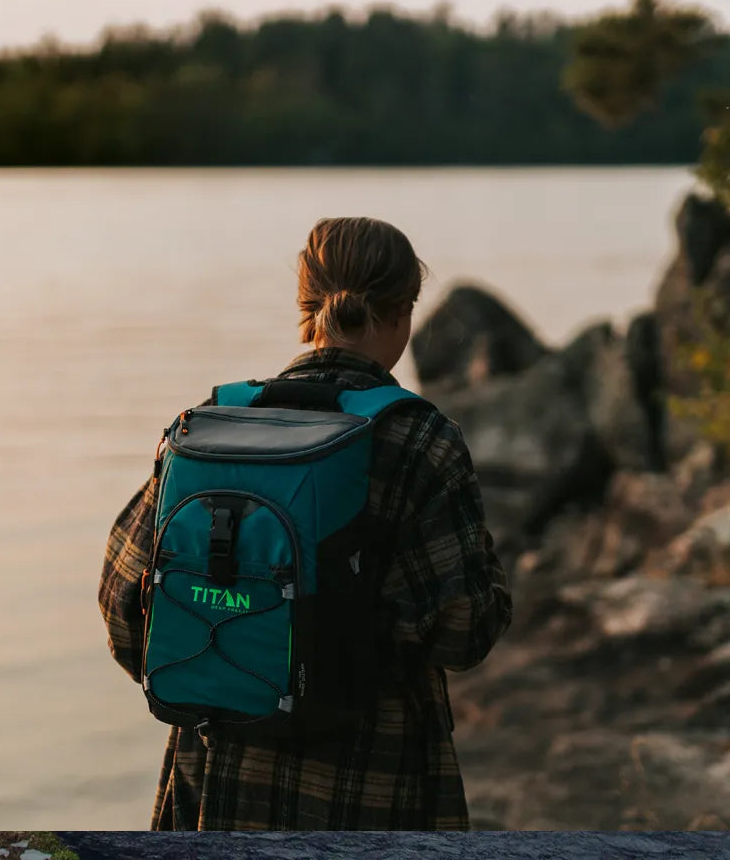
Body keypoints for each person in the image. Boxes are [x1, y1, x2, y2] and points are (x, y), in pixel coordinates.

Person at [97, 216, 513, 831]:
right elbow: (464, 631)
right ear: (402, 314)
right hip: (374, 790)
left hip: (217, 788)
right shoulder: (420, 441)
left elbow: (124, 610)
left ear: (305, 307)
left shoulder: (209, 428)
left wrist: (239, 661)